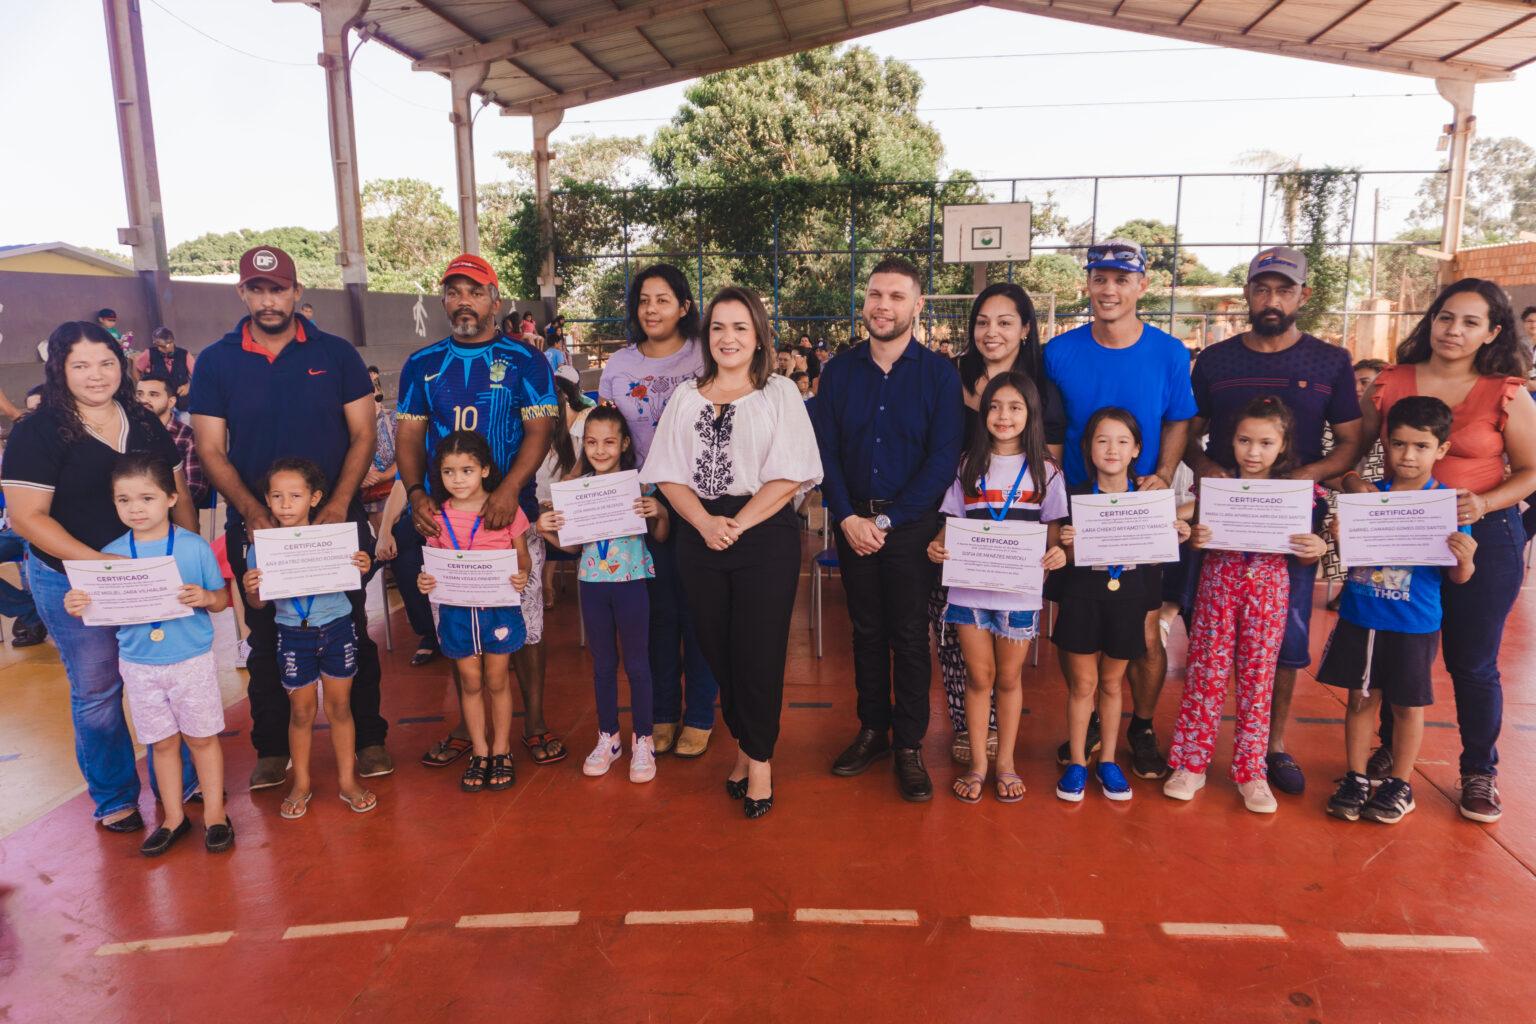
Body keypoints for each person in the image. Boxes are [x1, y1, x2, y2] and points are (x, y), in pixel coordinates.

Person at [189, 245, 391, 790]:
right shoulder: (216, 360)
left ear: (298, 292)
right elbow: (210, 447)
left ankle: (369, 738)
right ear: (242, 294)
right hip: (259, 527)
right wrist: (253, 511)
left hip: (334, 522)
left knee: (349, 626)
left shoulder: (337, 353)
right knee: (264, 635)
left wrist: (336, 507)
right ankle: (273, 748)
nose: (268, 299)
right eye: (257, 289)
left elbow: (363, 434)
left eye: (278, 288)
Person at [1351, 278, 1536, 823]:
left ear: (1493, 332)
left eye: (1471, 322)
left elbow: (1531, 471)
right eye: (1446, 317)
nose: (1454, 330)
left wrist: (1484, 502)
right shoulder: (1390, 382)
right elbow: (1355, 455)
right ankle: (1390, 751)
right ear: (1431, 320)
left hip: (1481, 536)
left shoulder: (1506, 390)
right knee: (1397, 647)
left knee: (1472, 662)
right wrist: (1354, 483)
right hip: (1398, 537)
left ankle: (1480, 771)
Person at [3, 321, 198, 831]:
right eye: (81, 365)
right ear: (60, 370)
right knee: (98, 691)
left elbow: (178, 492)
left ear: (124, 365)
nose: (96, 375)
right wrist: (102, 563)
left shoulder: (144, 421)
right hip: (75, 582)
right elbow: (27, 517)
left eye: (106, 362)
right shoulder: (37, 430)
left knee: (169, 672)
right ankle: (115, 797)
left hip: (151, 575)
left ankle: (183, 778)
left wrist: (187, 551)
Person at [1182, 246, 1363, 796]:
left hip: (1289, 530)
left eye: (1284, 290)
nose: (1271, 299)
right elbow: (1186, 433)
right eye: (1262, 289)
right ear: (1247, 294)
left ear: (1302, 297)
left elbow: (1352, 442)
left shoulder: (1329, 362)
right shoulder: (1215, 361)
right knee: (1207, 635)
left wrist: (1300, 480)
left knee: (1281, 643)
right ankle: (1194, 754)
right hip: (1222, 522)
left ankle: (1269, 748)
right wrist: (1214, 473)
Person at [641, 285, 822, 818]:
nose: (728, 337)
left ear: (758, 335)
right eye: (718, 327)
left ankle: (759, 760)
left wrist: (737, 524)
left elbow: (791, 475)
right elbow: (667, 475)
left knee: (759, 654)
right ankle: (746, 745)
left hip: (763, 535)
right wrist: (703, 522)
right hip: (701, 537)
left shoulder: (780, 394)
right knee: (718, 651)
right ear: (706, 336)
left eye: (740, 327)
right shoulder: (684, 397)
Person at [395, 253, 562, 769]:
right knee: (458, 618)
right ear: (444, 300)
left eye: (476, 290)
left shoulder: (525, 360)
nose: (464, 301)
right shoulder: (423, 365)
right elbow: (409, 436)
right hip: (448, 521)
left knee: (524, 619)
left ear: (495, 299)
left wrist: (509, 489)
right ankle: (471, 726)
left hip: (511, 512)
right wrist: (419, 495)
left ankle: (532, 722)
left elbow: (540, 430)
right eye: (454, 291)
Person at [1043, 239, 1197, 780]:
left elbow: (1180, 418)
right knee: (1077, 619)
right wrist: (1055, 494)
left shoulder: (1170, 353)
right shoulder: (1058, 352)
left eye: (1121, 279)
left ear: (1141, 287)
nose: (1109, 289)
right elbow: (1052, 428)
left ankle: (1142, 725)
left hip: (1139, 511)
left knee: (1144, 623)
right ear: (1087, 283)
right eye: (1100, 278)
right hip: (1079, 510)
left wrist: (1162, 477)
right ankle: (1086, 726)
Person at [814, 256, 963, 802]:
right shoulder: (840, 372)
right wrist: (849, 517)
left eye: (897, 296)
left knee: (907, 635)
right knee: (867, 633)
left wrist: (887, 520)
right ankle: (873, 730)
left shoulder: (939, 375)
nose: (883, 305)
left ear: (917, 305)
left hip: (909, 527)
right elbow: (823, 451)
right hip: (853, 522)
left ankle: (909, 746)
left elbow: (943, 458)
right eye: (876, 294)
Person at [63, 453, 233, 856]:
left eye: (146, 498)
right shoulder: (107, 556)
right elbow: (97, 607)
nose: (135, 508)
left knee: (203, 739)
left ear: (171, 499)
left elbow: (222, 600)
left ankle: (214, 815)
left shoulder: (193, 548)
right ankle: (174, 818)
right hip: (139, 665)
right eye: (124, 500)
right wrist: (79, 601)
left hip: (190, 659)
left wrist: (205, 596)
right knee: (161, 743)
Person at [1166, 397, 1327, 813]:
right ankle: (1190, 763)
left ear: (1283, 445)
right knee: (1206, 673)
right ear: (1230, 441)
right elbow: (1200, 537)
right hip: (1218, 586)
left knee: (1258, 680)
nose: (1253, 452)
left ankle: (1251, 771)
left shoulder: (1298, 494)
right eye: (1243, 440)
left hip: (1269, 592)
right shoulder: (1215, 487)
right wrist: (1197, 539)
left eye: (1265, 443)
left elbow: (1306, 554)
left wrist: (1314, 549)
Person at [1321, 397, 1476, 825]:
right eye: (1400, 444)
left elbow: (1459, 579)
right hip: (1362, 616)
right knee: (1360, 699)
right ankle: (1355, 776)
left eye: (1421, 446)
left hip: (1414, 622)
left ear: (1441, 449)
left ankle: (1400, 784)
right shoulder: (1370, 498)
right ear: (1386, 445)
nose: (1408, 455)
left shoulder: (1448, 505)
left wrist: (1465, 559)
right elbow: (1352, 560)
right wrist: (1340, 536)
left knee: (1408, 706)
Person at [937, 283, 1066, 766]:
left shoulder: (1041, 393)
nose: (992, 332)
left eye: (1006, 321)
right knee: (964, 660)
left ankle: (1001, 749)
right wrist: (939, 536)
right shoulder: (951, 379)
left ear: (1026, 329)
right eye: (983, 322)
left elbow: (1050, 497)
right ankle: (971, 737)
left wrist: (1054, 549)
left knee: (1005, 672)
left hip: (1015, 574)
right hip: (962, 541)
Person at [598, 263, 719, 756]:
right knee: (657, 612)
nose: (652, 308)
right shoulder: (619, 366)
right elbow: (604, 437)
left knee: (700, 611)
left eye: (663, 299)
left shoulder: (705, 357)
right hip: (638, 505)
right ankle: (664, 712)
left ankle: (700, 714)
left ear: (685, 306)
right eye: (644, 300)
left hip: (700, 500)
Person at [1052, 408, 1190, 803]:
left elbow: (1160, 549)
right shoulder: (1074, 496)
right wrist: (1066, 542)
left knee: (1112, 685)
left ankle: (1109, 761)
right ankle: (1078, 761)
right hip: (1082, 599)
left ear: (1137, 450)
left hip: (1128, 601)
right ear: (1087, 448)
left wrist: (1175, 532)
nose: (1112, 449)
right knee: (1083, 685)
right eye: (1102, 440)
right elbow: (1062, 553)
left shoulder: (1151, 501)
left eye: (1122, 441)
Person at [241, 459, 377, 817]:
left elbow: (357, 579)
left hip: (337, 629)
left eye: (295, 495)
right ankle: (301, 782)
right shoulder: (261, 547)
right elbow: (258, 601)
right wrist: (250, 589)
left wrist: (362, 565)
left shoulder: (335, 540)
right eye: (277, 496)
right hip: (292, 635)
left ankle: (348, 781)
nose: (286, 504)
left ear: (315, 498)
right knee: (300, 713)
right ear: (266, 500)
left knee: (339, 708)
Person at [538, 407, 667, 783]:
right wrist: (546, 529)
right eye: (591, 442)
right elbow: (575, 549)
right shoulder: (576, 491)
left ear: (624, 443)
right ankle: (608, 737)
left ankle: (643, 739)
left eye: (609, 442)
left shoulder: (641, 485)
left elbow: (661, 536)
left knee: (639, 664)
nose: (600, 449)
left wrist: (658, 512)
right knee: (603, 664)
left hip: (631, 583)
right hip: (592, 585)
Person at [417, 431, 531, 794]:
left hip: (498, 610)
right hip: (456, 612)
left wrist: (522, 573)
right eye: (449, 472)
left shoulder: (506, 509)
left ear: (484, 470)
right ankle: (479, 752)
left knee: (497, 680)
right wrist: (425, 580)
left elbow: (522, 554)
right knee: (469, 681)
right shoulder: (437, 516)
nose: (457, 479)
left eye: (466, 470)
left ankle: (502, 750)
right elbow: (432, 564)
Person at [136, 370, 208, 507]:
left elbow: (195, 487)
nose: (144, 400)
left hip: (174, 515)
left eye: (153, 394)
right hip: (132, 514)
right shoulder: (130, 432)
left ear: (171, 402)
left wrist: (158, 507)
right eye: (139, 394)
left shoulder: (187, 436)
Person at [361, 365, 396, 535]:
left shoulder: (394, 419)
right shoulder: (346, 426)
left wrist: (384, 476)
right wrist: (360, 477)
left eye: (373, 387)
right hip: (359, 489)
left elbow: (406, 458)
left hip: (394, 485)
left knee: (382, 514)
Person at [134, 327, 195, 416]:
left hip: (182, 403)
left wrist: (189, 386)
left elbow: (198, 376)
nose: (159, 349)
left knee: (185, 427)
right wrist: (143, 387)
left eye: (162, 346)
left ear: (171, 342)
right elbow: (137, 369)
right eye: (157, 345)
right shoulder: (149, 353)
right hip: (159, 403)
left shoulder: (184, 354)